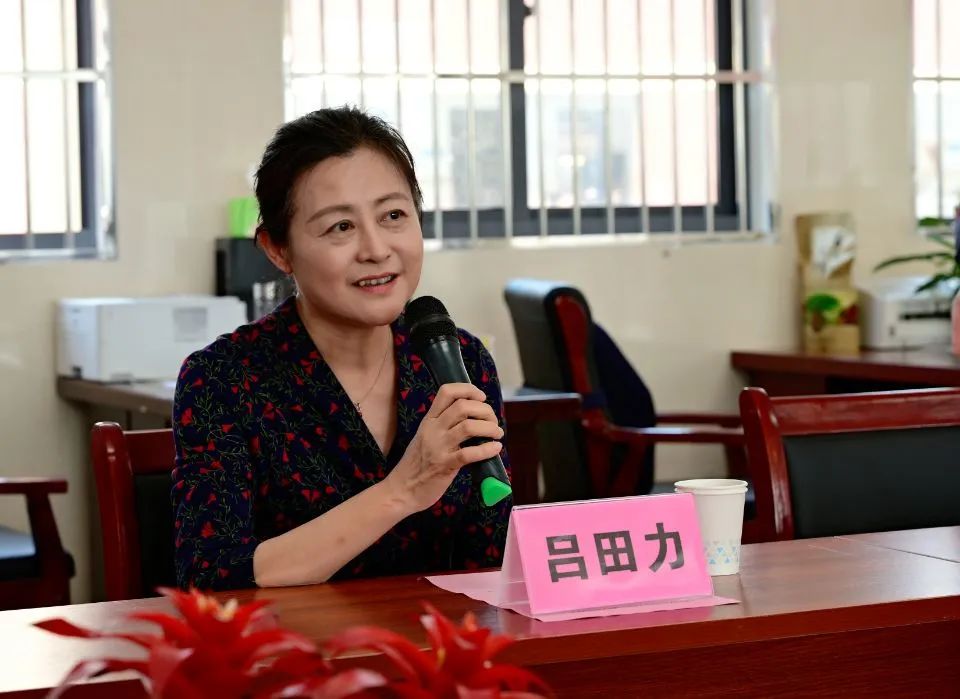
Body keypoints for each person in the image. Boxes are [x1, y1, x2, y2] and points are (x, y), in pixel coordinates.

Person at [171, 106, 511, 590]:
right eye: (341, 227)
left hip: (440, 636)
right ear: (278, 249)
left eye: (393, 215)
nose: (376, 249)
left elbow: (493, 556)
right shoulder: (224, 379)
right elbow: (211, 578)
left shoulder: (460, 360)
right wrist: (401, 490)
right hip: (293, 639)